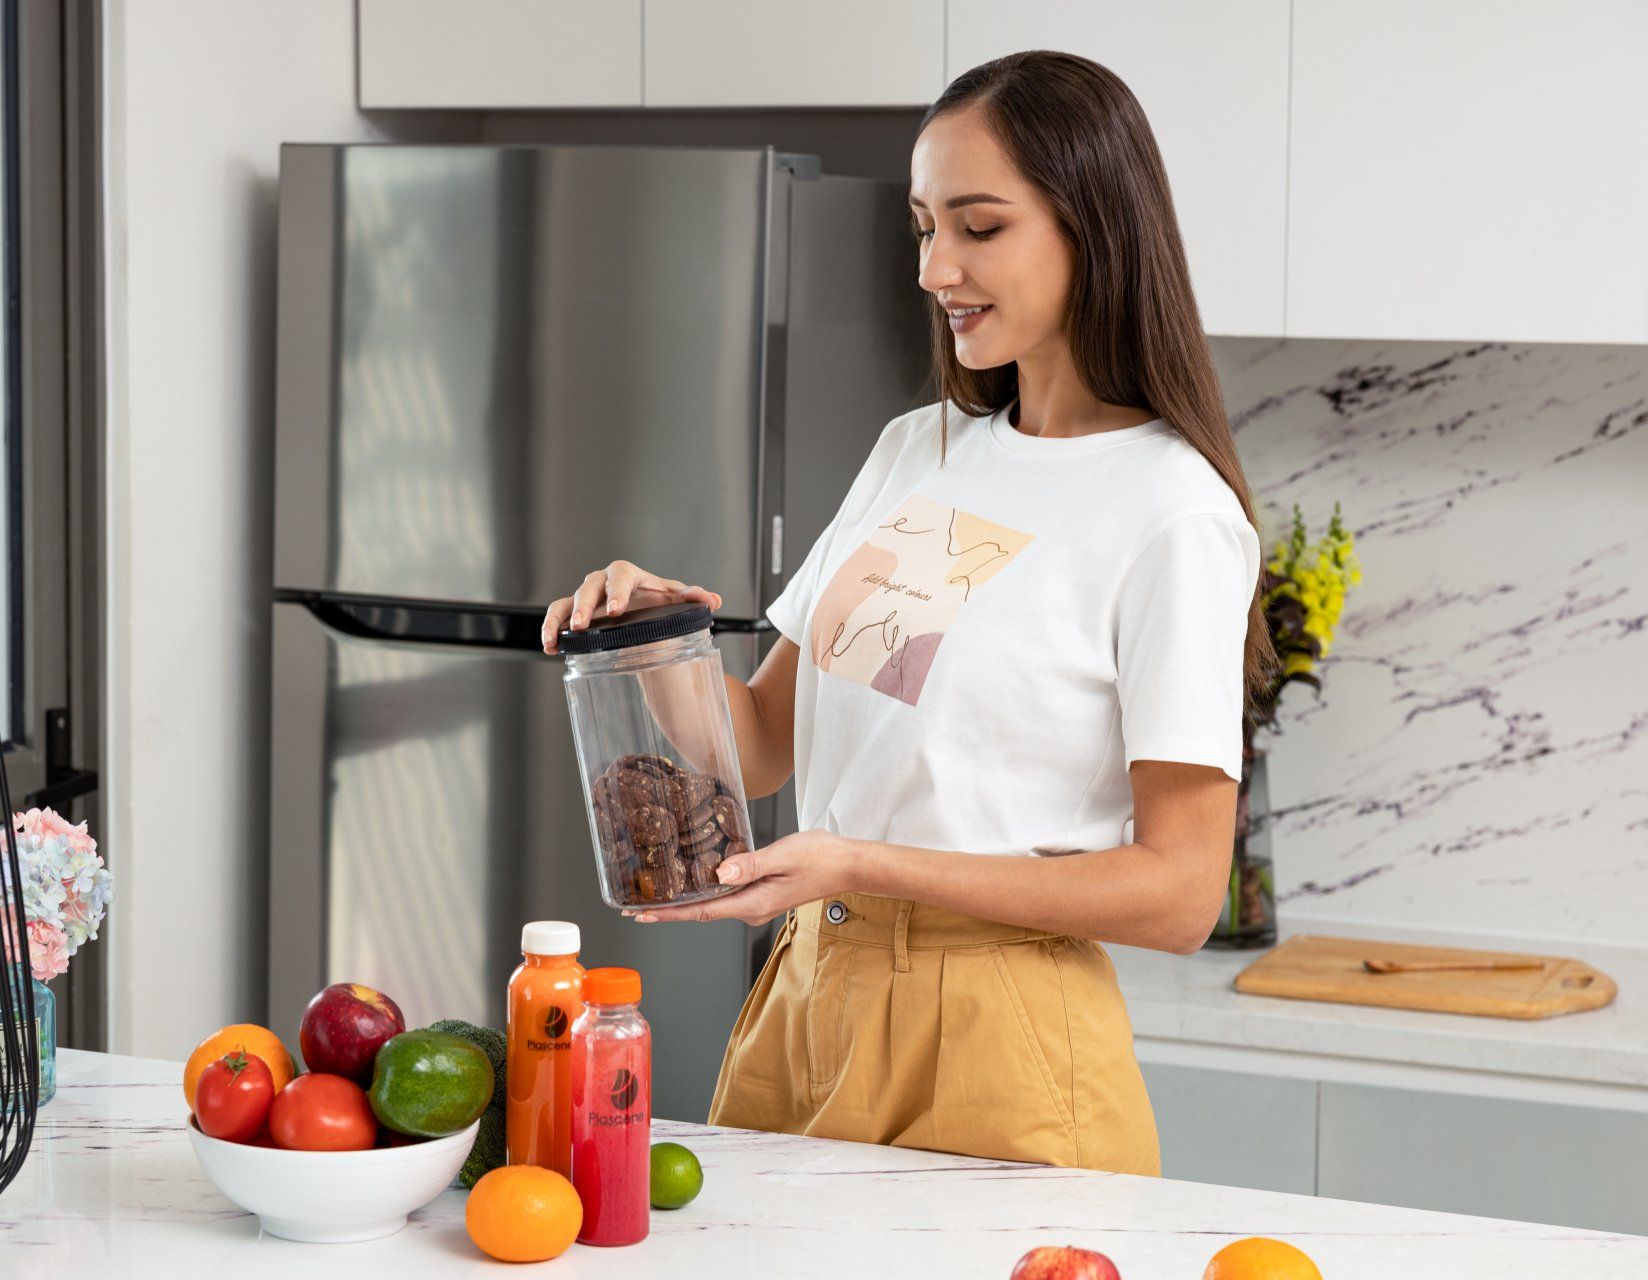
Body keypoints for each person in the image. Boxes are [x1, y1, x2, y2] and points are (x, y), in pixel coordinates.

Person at [539, 51, 1274, 1178]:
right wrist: (658, 647)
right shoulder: (915, 450)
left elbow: (1180, 890)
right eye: (924, 226)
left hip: (1003, 1033)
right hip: (806, 1001)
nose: (937, 267)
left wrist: (868, 866)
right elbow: (767, 743)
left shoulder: (1173, 509)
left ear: (1098, 227)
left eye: (980, 226)